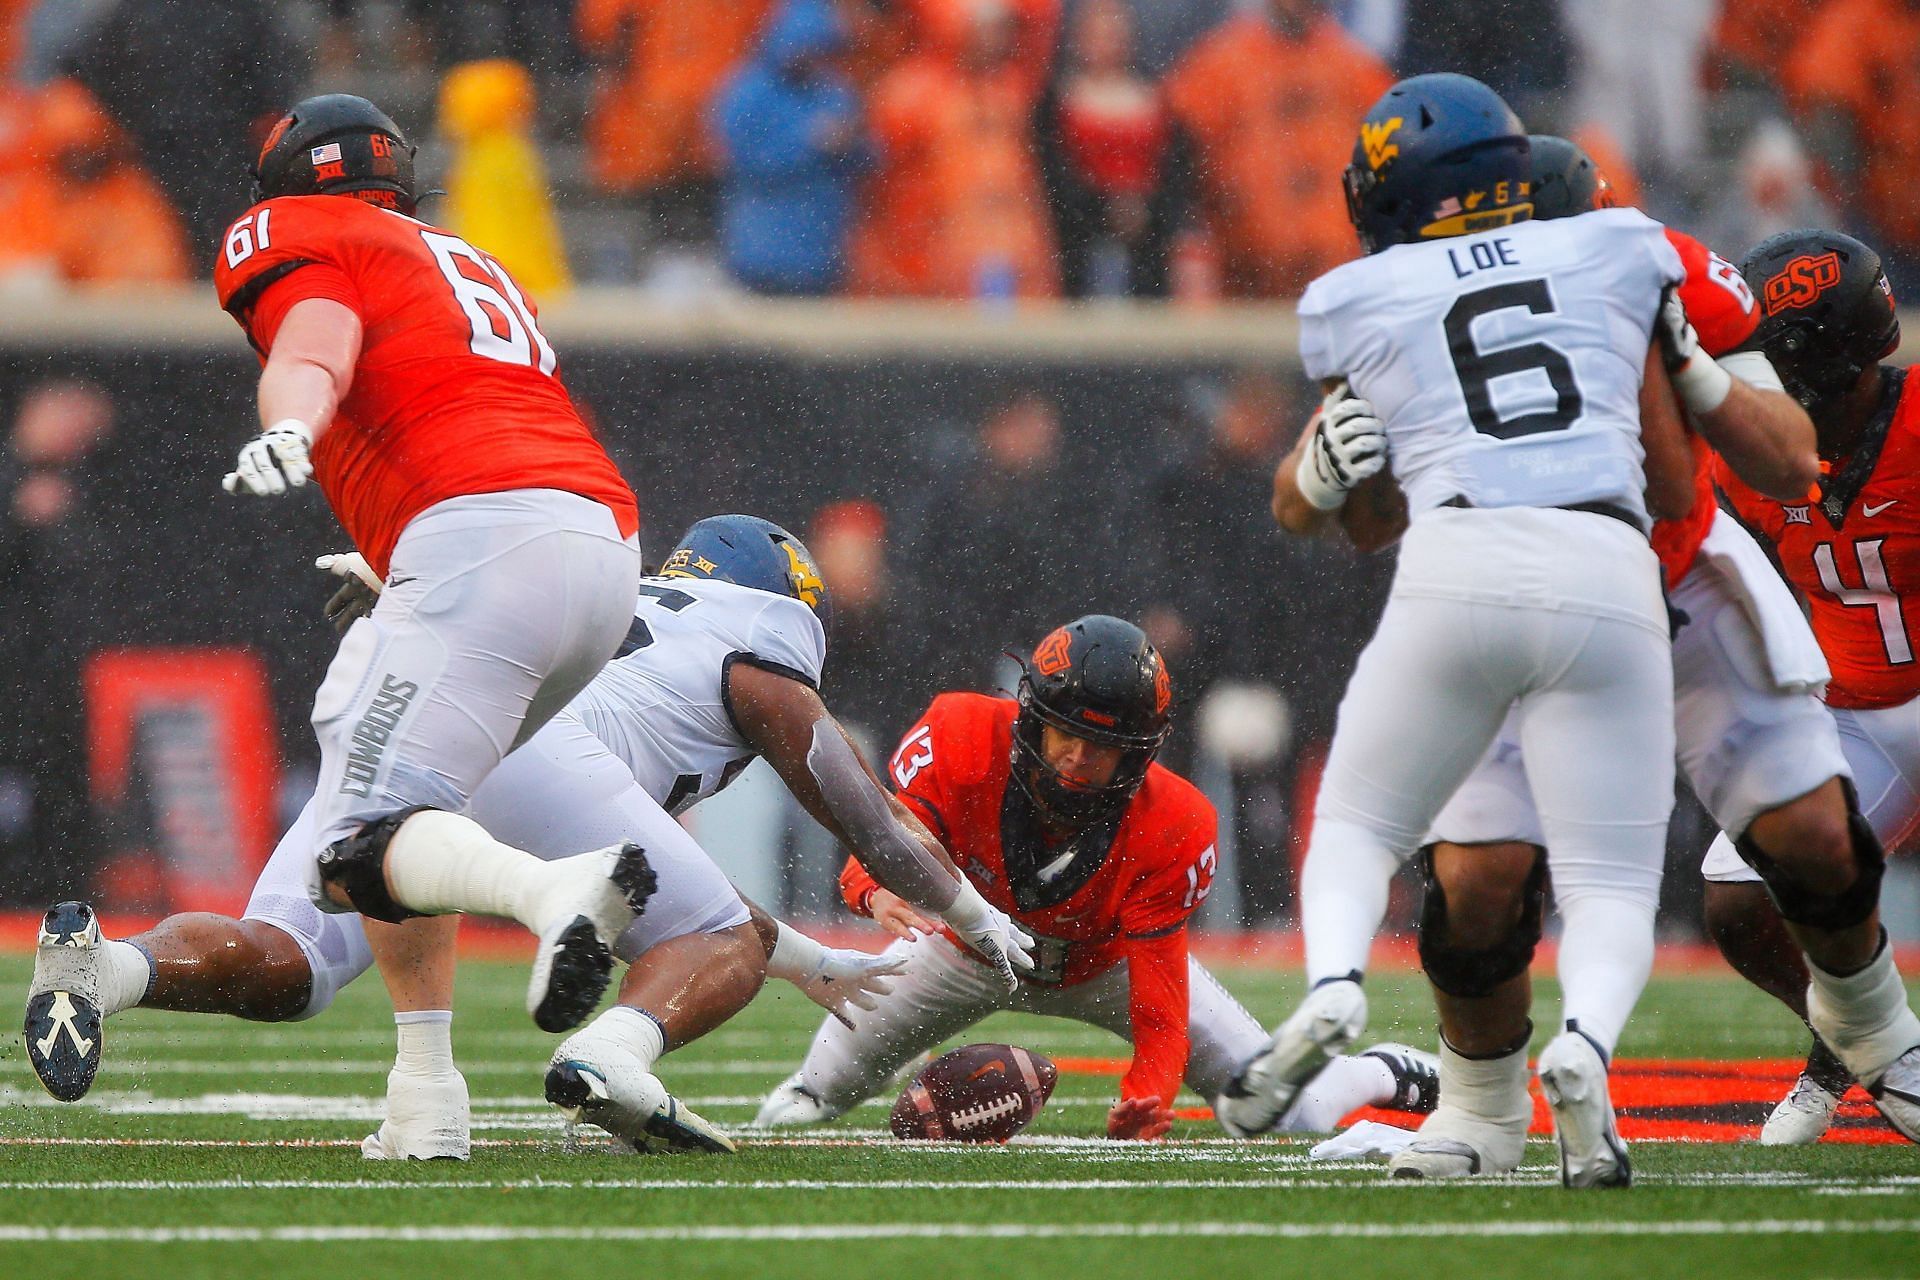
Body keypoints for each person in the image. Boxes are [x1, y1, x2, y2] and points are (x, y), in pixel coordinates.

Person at [1232, 139, 1876, 1170]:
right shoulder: (1434, 293)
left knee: (1803, 836)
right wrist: (1318, 476)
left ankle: (1881, 1034)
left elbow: (1751, 465)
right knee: (1491, 884)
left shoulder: (1630, 259)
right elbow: (1353, 513)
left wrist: (1688, 371)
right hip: (1555, 590)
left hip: (1645, 577)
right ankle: (1492, 1104)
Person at [26, 94, 654, 1130]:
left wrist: (294, 422)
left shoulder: (293, 230)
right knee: (316, 925)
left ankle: (552, 900)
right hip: (597, 547)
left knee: (375, 828)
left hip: (481, 542)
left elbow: (318, 339)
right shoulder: (459, 257)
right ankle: (115, 975)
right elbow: (468, 405)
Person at [26, 514, 1033, 1159]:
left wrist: (811, 959)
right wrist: (978, 917)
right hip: (536, 753)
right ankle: (609, 1053)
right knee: (711, 937)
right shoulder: (747, 639)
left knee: (292, 966)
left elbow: (681, 890)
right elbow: (863, 817)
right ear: (788, 598)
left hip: (427, 713)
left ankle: (103, 968)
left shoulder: (636, 617)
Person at [756, 615, 1441, 1140]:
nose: (1079, 760)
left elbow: (1160, 1001)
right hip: (964, 946)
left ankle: (1377, 1072)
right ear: (1032, 717)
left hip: (1102, 968)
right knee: (812, 1097)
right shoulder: (960, 735)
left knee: (1273, 1112)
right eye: (1066, 735)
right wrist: (871, 888)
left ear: (1139, 753)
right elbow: (882, 834)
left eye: (1105, 746)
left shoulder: (1175, 822)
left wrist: (1149, 1091)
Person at [1702, 229, 1920, 1146]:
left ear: (1822, 361)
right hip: (1861, 720)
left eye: (1771, 358)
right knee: (1738, 893)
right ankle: (1866, 1051)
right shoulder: (1749, 454)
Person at [1162, 0, 1392, 297]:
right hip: (1246, 286)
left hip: (1342, 284)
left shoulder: (1354, 67)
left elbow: (1395, 160)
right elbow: (1177, 166)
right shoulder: (1220, 64)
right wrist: (1190, 245)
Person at [712, 0, 868, 296]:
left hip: (822, 252)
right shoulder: (748, 91)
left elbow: (866, 159)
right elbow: (743, 161)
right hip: (758, 252)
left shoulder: (834, 91)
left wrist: (853, 145)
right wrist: (811, 144)